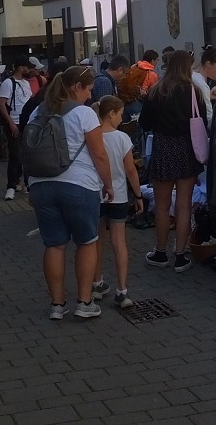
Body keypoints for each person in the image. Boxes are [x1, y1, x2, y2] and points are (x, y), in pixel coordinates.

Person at [27, 66, 114, 320]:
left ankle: (57, 305)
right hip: (78, 185)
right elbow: (99, 154)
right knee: (87, 242)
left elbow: (27, 151)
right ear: (77, 87)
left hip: (41, 183)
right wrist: (108, 184)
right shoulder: (84, 114)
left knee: (53, 244)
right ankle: (84, 302)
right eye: (88, 90)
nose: (89, 96)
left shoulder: (38, 110)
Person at [140, 49, 207, 272]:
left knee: (161, 205)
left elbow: (145, 123)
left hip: (163, 148)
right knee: (184, 204)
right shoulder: (194, 92)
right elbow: (203, 121)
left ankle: (160, 252)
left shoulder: (157, 90)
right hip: (187, 148)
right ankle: (180, 254)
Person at [91, 96, 143, 309]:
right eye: (120, 114)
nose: (122, 119)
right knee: (119, 242)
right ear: (111, 113)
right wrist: (139, 195)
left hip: (96, 193)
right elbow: (130, 170)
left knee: (96, 240)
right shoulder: (122, 138)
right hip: (119, 194)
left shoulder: (92, 137)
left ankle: (96, 283)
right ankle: (122, 291)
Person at [0, 57, 34, 200]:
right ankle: (11, 186)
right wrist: (11, 123)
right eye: (27, 67)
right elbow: (1, 104)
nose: (29, 70)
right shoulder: (8, 83)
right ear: (20, 68)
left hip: (26, 122)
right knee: (16, 155)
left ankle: (23, 182)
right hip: (15, 121)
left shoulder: (26, 83)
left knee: (25, 155)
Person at [192, 46, 216, 121]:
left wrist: (208, 96)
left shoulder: (193, 77)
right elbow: (209, 117)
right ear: (208, 64)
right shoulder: (201, 84)